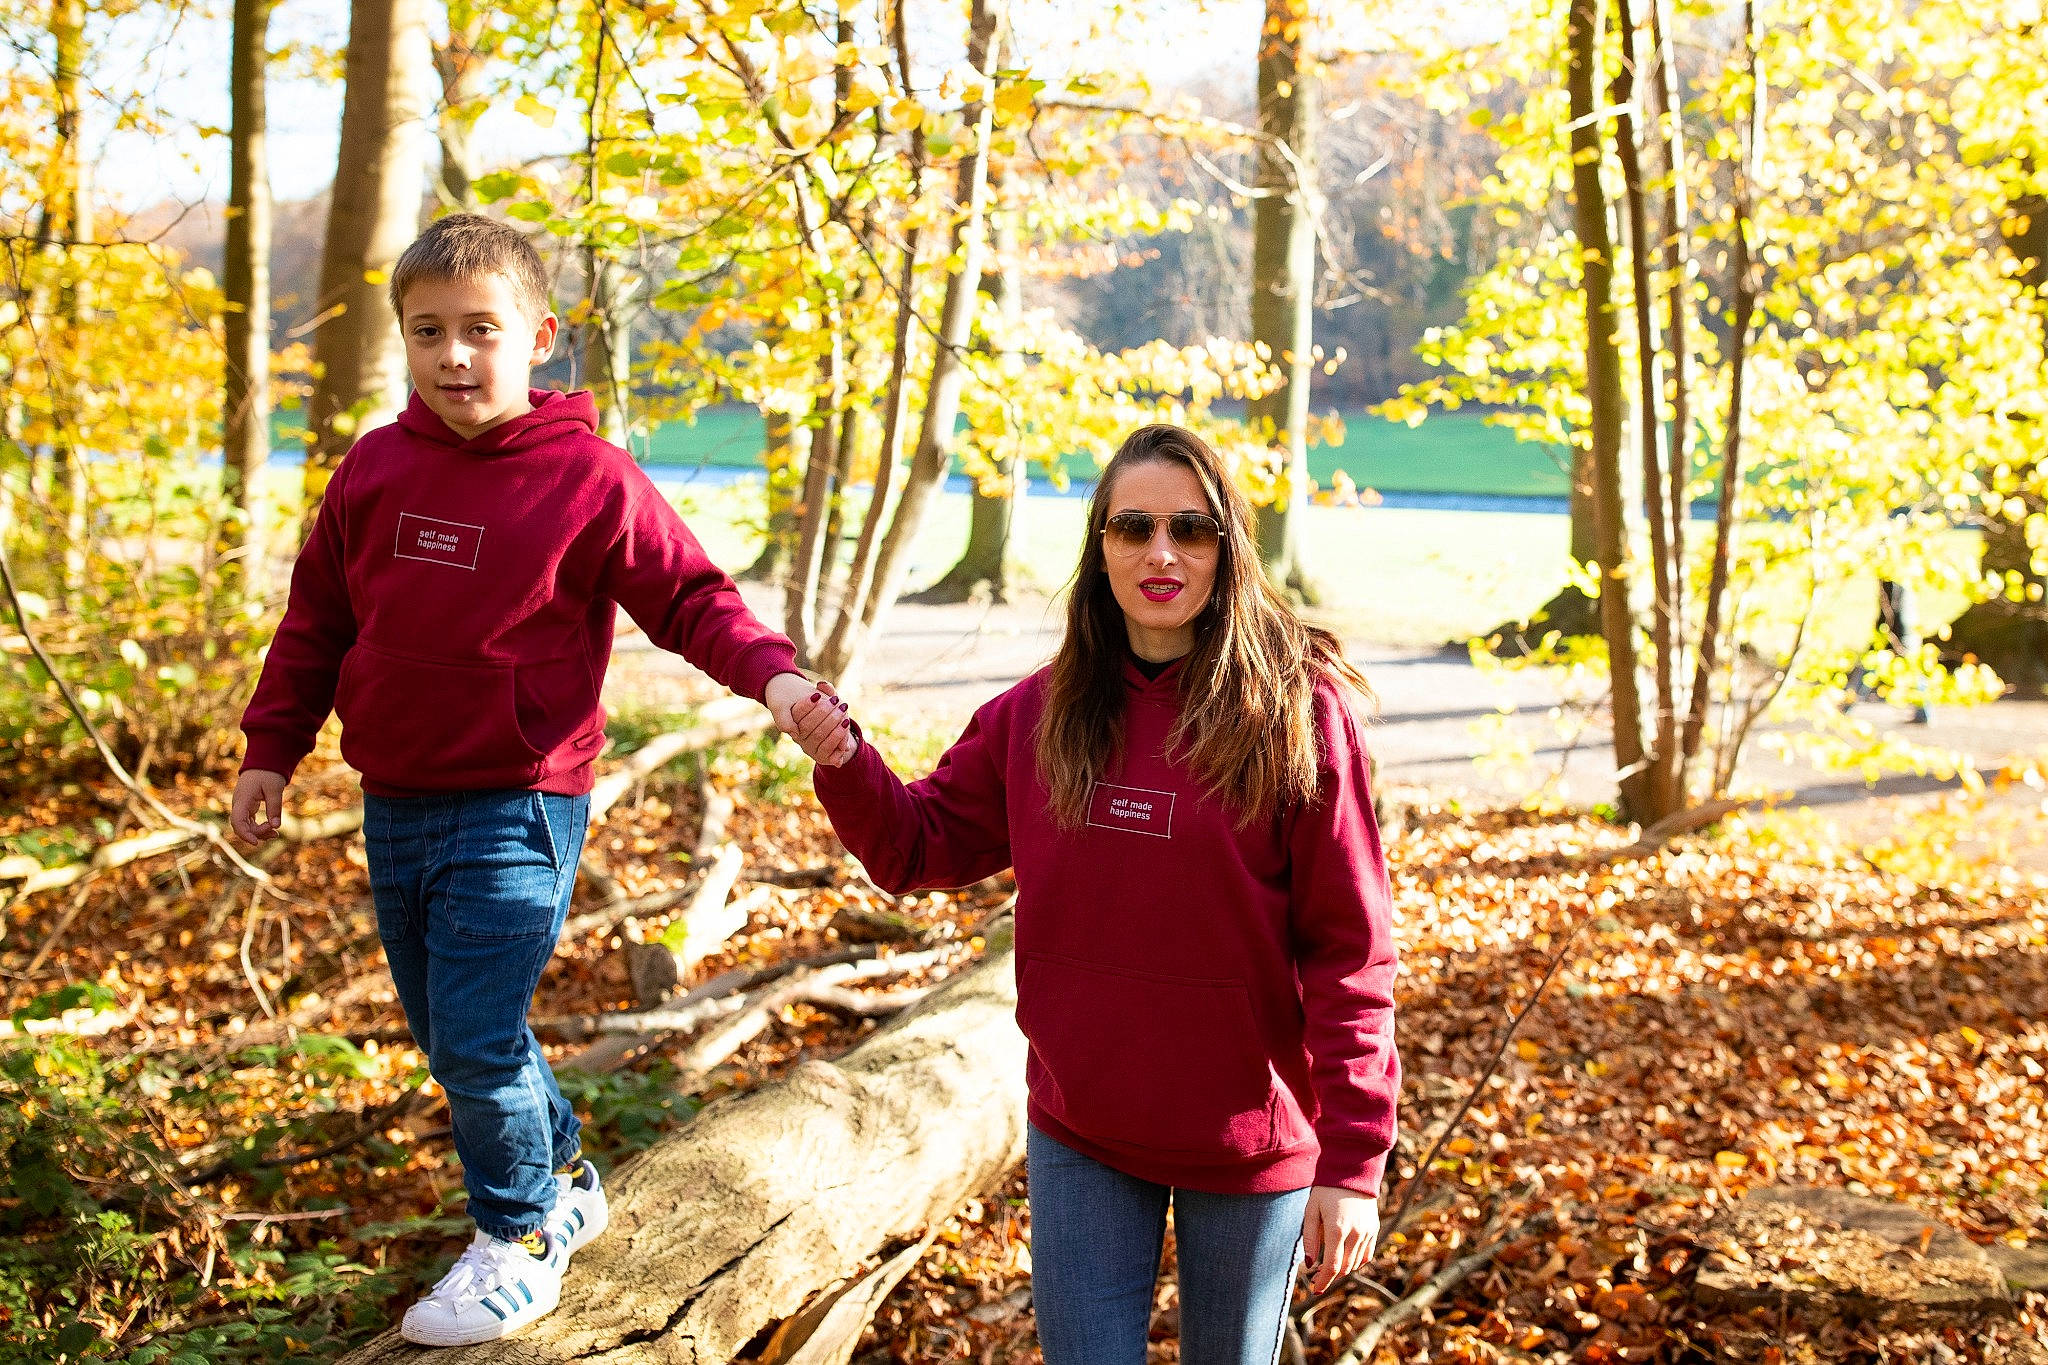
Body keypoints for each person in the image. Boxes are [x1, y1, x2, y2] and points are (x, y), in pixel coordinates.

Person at [228, 213, 843, 1347]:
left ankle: (517, 1239)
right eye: (427, 333)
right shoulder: (375, 467)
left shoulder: (588, 479)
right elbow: (316, 621)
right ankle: (560, 1168)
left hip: (520, 798)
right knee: (455, 1030)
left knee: (471, 1028)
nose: (453, 356)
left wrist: (774, 683)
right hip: (393, 798)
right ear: (403, 340)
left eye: (479, 331)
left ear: (539, 337)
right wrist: (273, 748)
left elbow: (692, 599)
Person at [788, 424, 1400, 1365]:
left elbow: (1349, 951)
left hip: (1250, 1142)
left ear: (1228, 547)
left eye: (1191, 528)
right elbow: (918, 845)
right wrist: (845, 759)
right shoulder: (1041, 711)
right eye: (1134, 527)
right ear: (1100, 546)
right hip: (1083, 1127)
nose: (1161, 551)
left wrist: (1353, 1162)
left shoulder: (1298, 717)